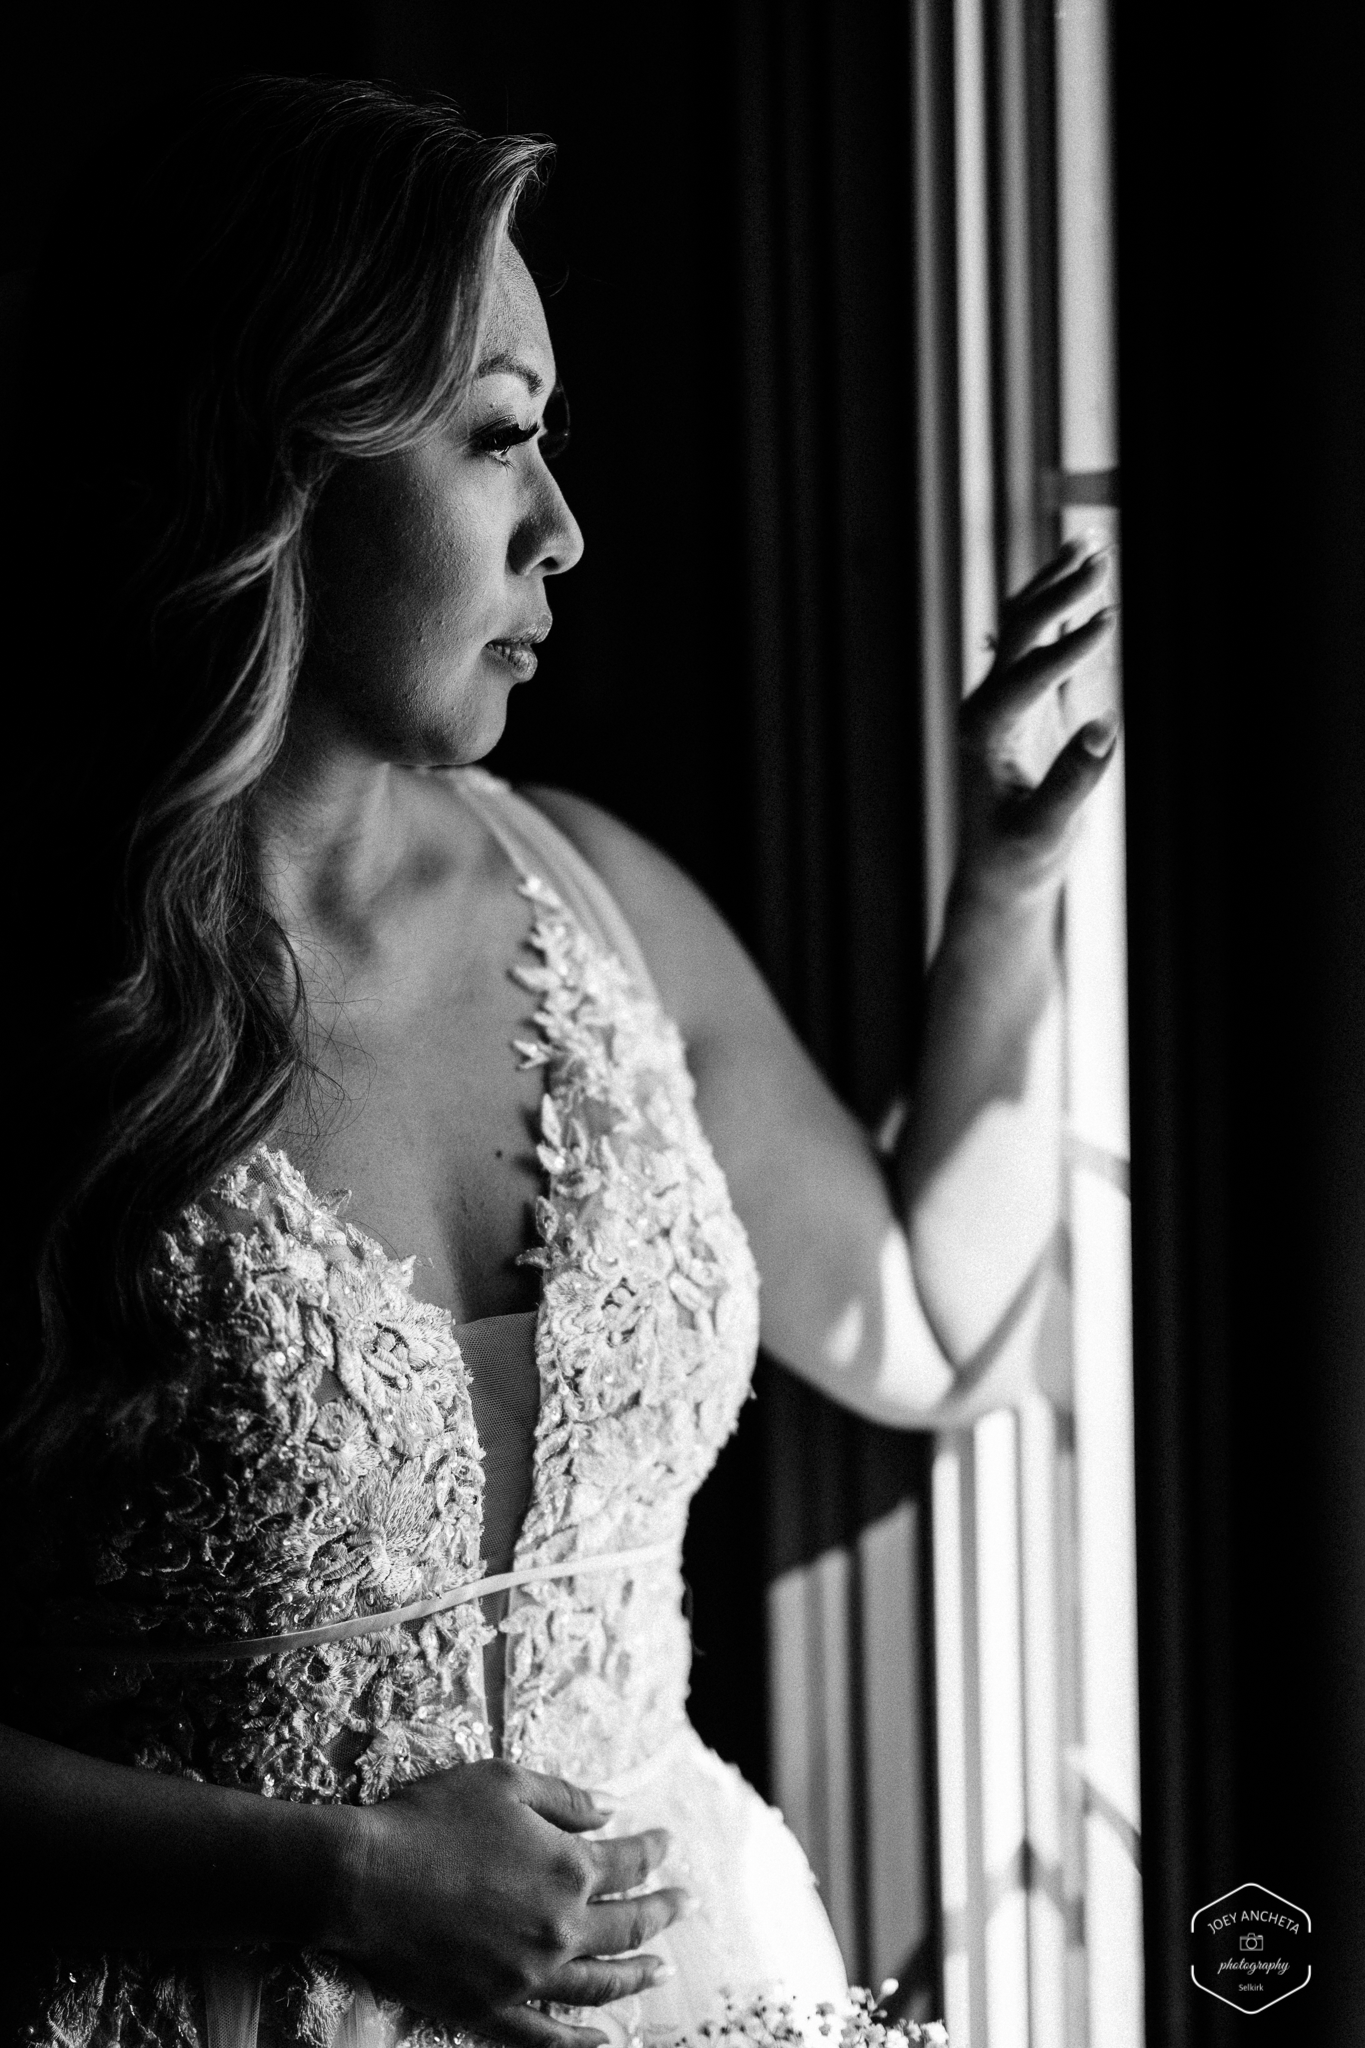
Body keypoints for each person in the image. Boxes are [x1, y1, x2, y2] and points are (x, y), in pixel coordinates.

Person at [0, 76, 1115, 2048]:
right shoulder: (52, 1015)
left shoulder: (591, 896)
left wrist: (1011, 888)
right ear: (275, 464)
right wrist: (326, 1875)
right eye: (498, 437)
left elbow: (931, 1329)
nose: (565, 531)